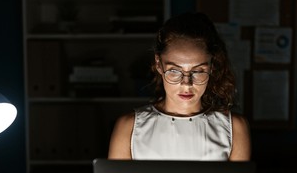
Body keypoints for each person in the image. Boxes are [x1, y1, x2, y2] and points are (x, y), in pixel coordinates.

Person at [108, 12, 251, 161]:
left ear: (211, 66)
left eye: (198, 71)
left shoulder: (235, 128)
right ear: (159, 64)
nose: (186, 83)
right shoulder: (128, 127)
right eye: (175, 71)